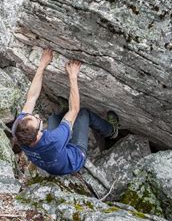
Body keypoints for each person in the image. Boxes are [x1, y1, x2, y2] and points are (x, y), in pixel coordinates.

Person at [12, 48, 119, 176]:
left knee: (53, 119)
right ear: (38, 134)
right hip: (73, 159)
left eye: (31, 116)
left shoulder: (18, 130)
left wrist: (42, 65)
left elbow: (32, 97)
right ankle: (111, 131)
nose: (36, 115)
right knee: (83, 114)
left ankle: (64, 113)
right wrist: (73, 76)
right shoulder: (54, 140)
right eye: (37, 119)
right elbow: (75, 109)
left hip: (53, 159)